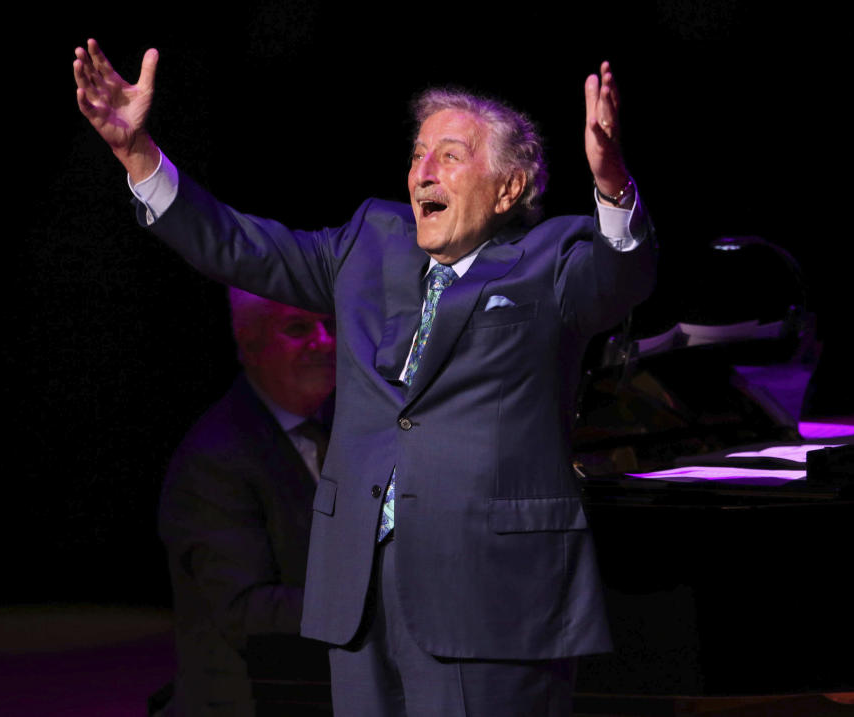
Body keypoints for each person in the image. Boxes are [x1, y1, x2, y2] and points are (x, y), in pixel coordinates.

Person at [75, 38, 657, 716]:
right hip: (358, 597)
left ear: (510, 186)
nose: (423, 171)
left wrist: (613, 181)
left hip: (491, 598)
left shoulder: (548, 259)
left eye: (451, 155)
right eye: (417, 154)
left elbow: (623, 277)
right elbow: (237, 245)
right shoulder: (367, 242)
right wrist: (137, 155)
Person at [157, 289, 335, 716]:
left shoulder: (345, 426)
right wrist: (378, 601)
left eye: (330, 325)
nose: (325, 342)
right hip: (253, 702)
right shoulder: (214, 458)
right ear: (249, 344)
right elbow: (245, 613)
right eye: (298, 328)